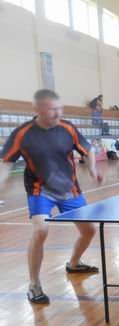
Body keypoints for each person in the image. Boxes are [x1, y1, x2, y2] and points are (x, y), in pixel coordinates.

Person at [0, 89, 104, 304]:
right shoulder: (23, 133)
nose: (58, 113)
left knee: (89, 230)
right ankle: (34, 284)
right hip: (40, 190)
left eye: (60, 108)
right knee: (40, 230)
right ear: (37, 109)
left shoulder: (68, 128)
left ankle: (73, 264)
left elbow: (88, 150)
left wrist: (92, 169)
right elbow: (7, 161)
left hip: (69, 189)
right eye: (52, 109)